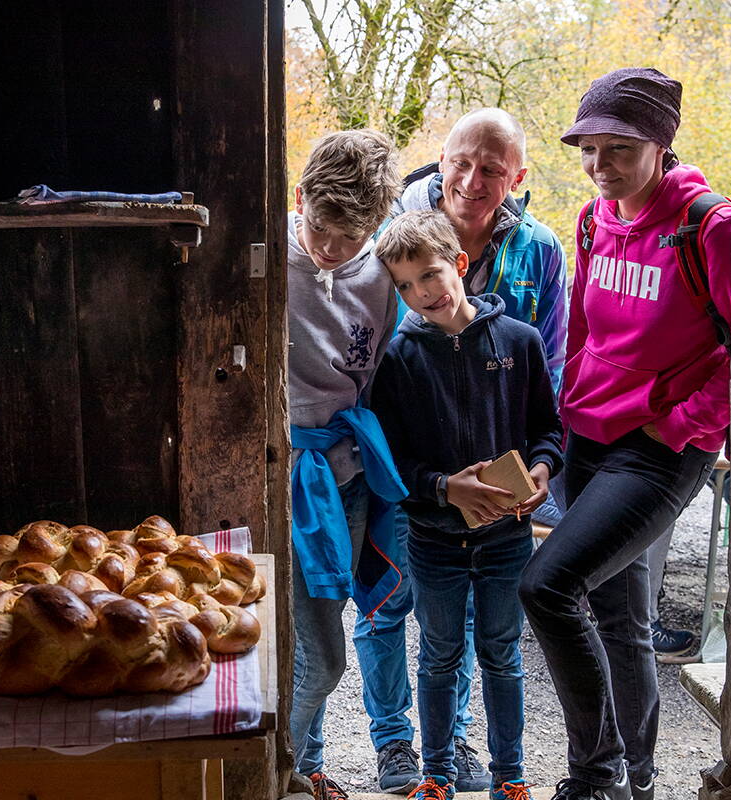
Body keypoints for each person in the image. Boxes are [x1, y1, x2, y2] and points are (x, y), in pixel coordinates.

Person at [518, 68, 731, 800]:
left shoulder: (708, 225)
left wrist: (682, 427)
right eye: (589, 147)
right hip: (589, 433)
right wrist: (559, 423)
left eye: (619, 149)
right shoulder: (590, 219)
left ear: (660, 145)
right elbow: (580, 334)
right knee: (621, 617)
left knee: (548, 588)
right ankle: (636, 783)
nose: (599, 165)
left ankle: (595, 776)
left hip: (661, 449)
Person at [356, 108, 569, 794]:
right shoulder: (397, 325)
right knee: (411, 628)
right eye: (461, 161)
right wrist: (443, 489)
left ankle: (497, 767)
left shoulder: (529, 293)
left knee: (497, 649)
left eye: (493, 169)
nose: (424, 294)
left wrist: (540, 471)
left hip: (505, 530)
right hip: (429, 526)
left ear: (462, 265)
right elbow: (393, 452)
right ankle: (412, 757)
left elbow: (548, 414)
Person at [287, 128, 407, 800]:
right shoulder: (267, 249)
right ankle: (279, 772)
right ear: (300, 198)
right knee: (320, 660)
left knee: (322, 636)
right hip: (280, 479)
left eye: (350, 238)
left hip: (349, 480)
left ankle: (307, 769)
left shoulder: (381, 275)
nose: (331, 250)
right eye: (322, 229)